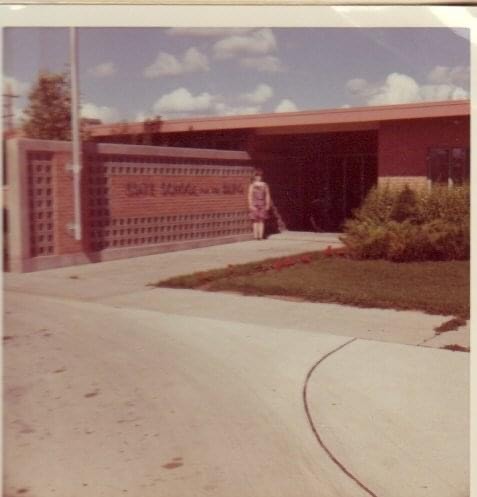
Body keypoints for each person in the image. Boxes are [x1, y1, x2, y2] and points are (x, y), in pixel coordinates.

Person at [248, 168, 271, 240]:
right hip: (254, 204)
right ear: (254, 177)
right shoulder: (252, 185)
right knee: (255, 220)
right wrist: (250, 205)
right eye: (257, 176)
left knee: (261, 220)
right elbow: (249, 195)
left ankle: (260, 236)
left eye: (260, 176)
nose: (258, 177)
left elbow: (267, 195)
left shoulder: (265, 185)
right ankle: (256, 236)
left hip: (262, 203)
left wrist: (267, 204)